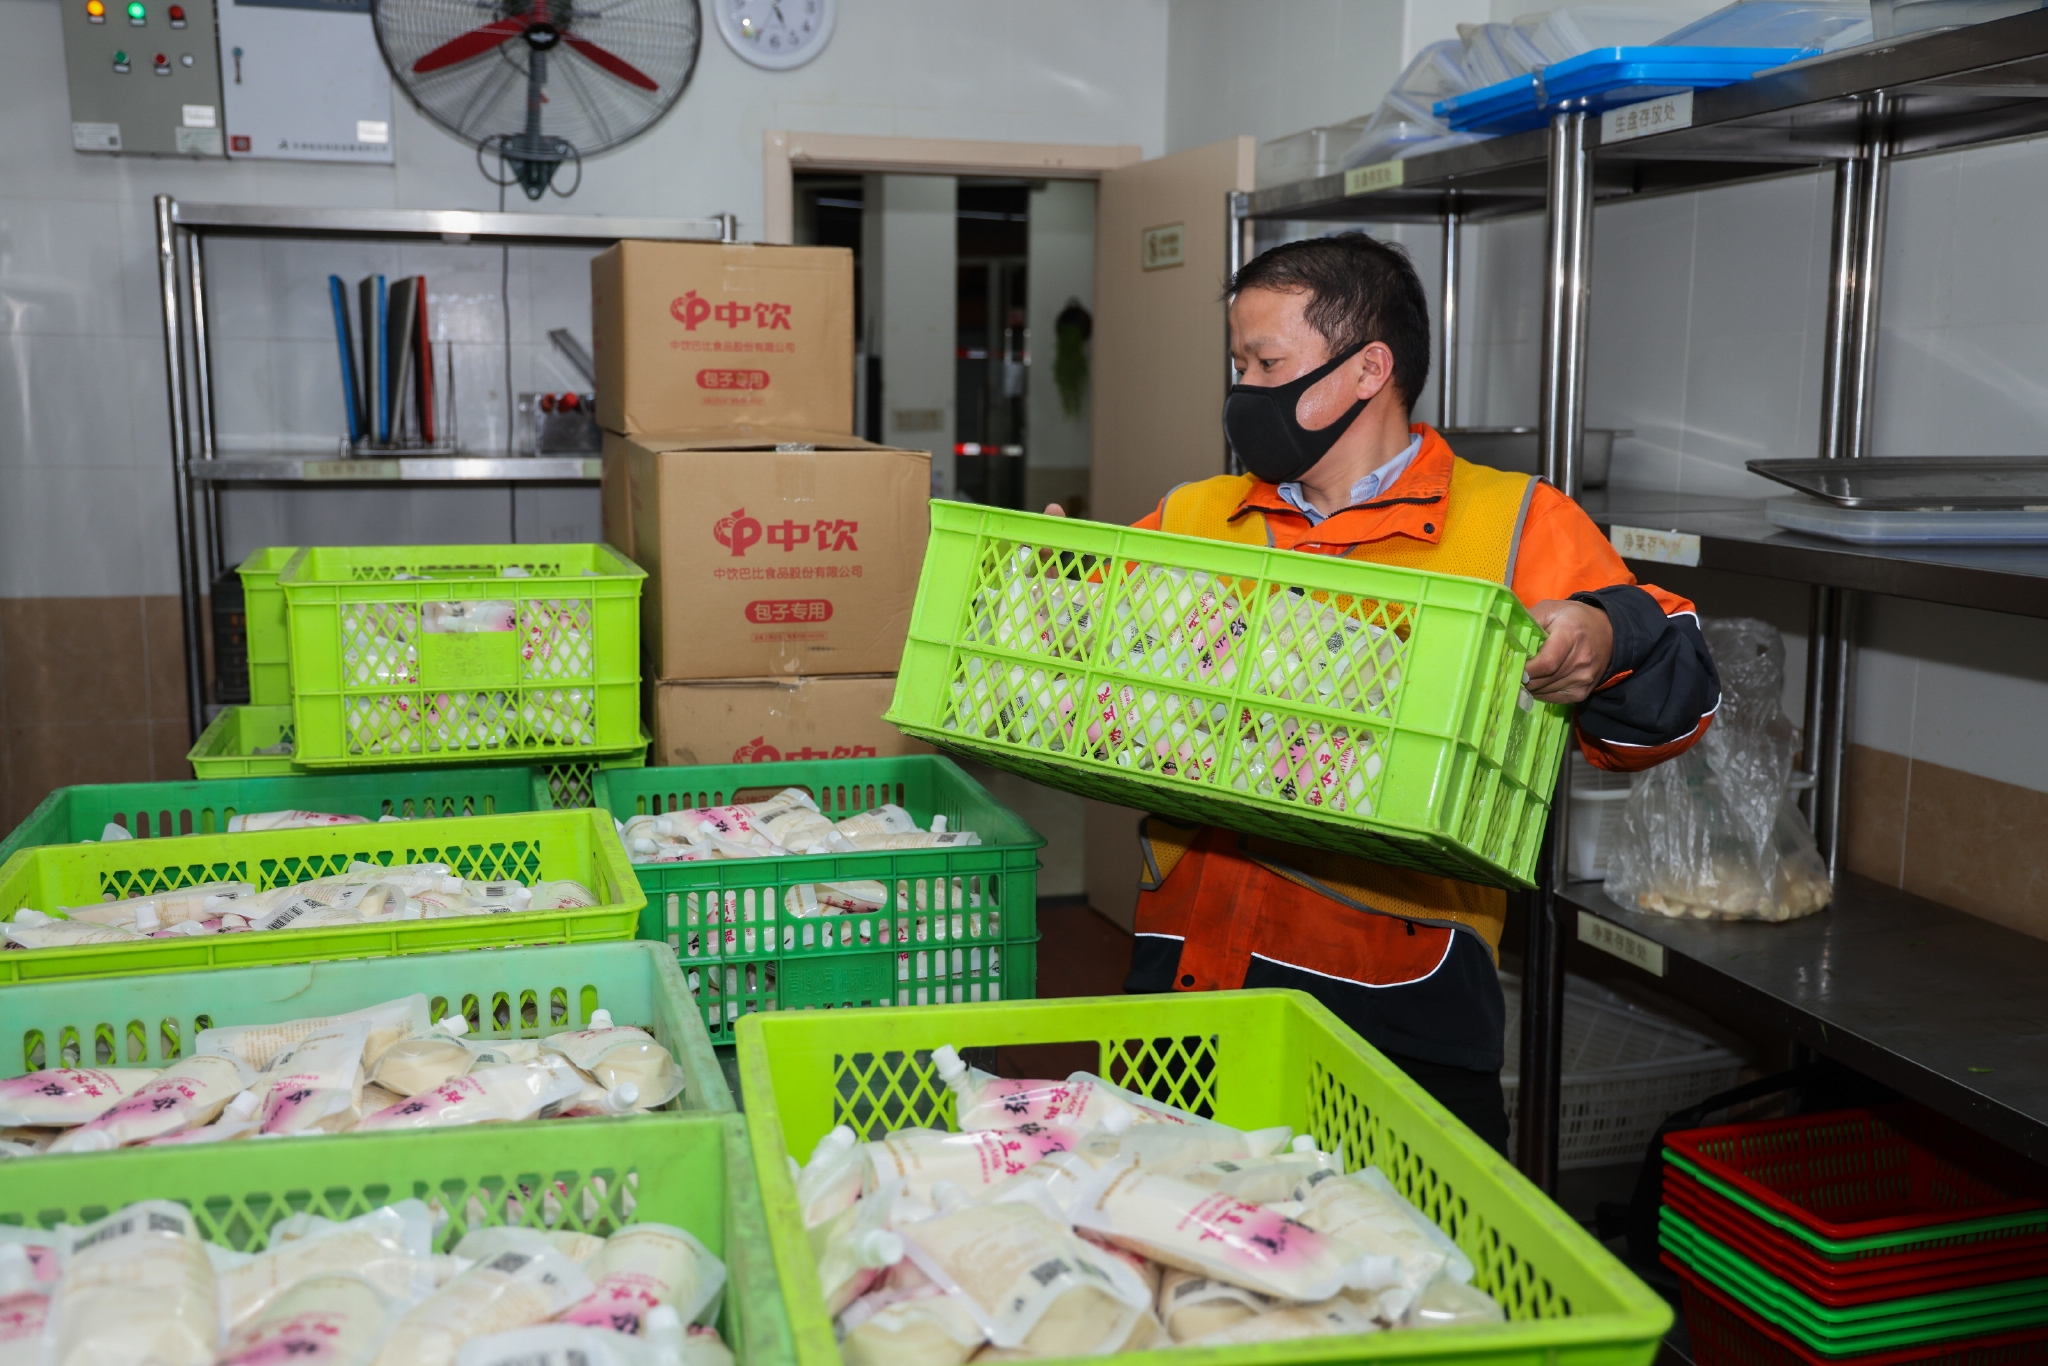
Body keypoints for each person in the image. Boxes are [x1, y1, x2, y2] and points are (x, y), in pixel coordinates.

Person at [1047, 233, 1719, 1152]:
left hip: (1396, 991)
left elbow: (1670, 713)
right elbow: (1098, 691)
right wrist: (1057, 593)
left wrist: (1605, 639)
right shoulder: (1200, 515)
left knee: (1404, 1263)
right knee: (1177, 1244)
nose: (1242, 389)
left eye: (1265, 362)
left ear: (1369, 369)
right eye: (1236, 363)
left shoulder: (1513, 523)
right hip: (1189, 973)